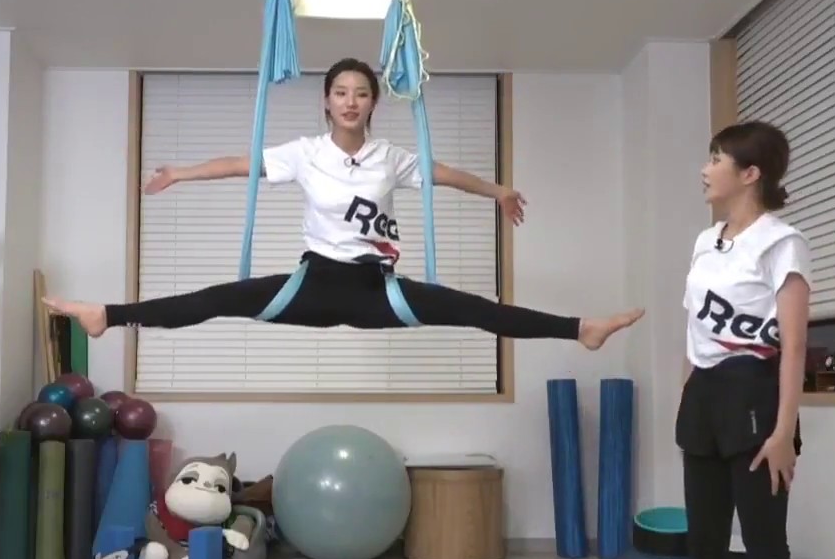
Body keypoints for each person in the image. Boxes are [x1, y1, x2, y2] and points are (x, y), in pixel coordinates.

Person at [43, 57, 645, 347]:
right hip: (310, 285)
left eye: (360, 93)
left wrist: (499, 191)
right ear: (326, 101)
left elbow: (444, 174)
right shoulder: (305, 153)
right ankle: (107, 315)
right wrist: (180, 172)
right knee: (217, 299)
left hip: (378, 290)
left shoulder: (390, 157)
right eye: (340, 92)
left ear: (372, 103)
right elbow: (240, 165)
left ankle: (581, 329)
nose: (350, 101)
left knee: (474, 309)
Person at [660, 120, 808, 559]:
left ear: (750, 174)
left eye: (715, 159)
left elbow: (794, 345)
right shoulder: (706, 241)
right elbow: (696, 332)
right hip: (704, 397)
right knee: (706, 546)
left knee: (767, 551)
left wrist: (783, 432)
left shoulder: (782, 243)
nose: (705, 169)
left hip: (755, 396)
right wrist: (687, 399)